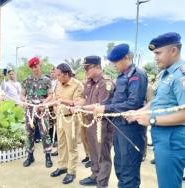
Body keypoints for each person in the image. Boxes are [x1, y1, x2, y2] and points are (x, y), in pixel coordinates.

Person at [127, 32, 185, 188]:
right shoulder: (163, 74)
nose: (155, 57)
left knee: (169, 184)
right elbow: (156, 101)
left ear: (173, 50)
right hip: (161, 136)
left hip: (172, 138)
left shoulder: (181, 75)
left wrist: (152, 119)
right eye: (154, 53)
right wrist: (140, 112)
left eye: (158, 53)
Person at [94, 43, 148, 188]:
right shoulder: (122, 76)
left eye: (116, 62)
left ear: (126, 58)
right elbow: (116, 99)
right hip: (119, 127)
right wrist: (101, 106)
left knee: (128, 170)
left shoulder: (137, 75)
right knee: (120, 166)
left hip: (131, 130)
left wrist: (105, 108)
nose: (113, 65)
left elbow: (133, 103)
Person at [74, 56, 115, 188]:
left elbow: (101, 105)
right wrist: (76, 104)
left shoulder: (106, 83)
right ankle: (94, 175)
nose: (85, 70)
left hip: (102, 124)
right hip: (90, 122)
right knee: (93, 151)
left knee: (103, 154)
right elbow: (85, 99)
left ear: (97, 66)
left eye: (88, 67)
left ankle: (102, 183)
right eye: (84, 67)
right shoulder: (88, 82)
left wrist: (82, 107)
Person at [50, 63, 83, 184]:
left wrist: (62, 101)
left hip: (71, 119)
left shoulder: (77, 85)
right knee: (61, 144)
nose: (57, 77)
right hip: (59, 118)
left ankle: (71, 172)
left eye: (59, 75)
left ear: (66, 74)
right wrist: (53, 105)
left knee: (72, 146)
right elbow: (55, 97)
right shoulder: (58, 83)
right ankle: (62, 166)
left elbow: (77, 102)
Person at [21, 57, 53, 168]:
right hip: (30, 111)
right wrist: (24, 101)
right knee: (29, 132)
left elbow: (50, 95)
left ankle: (48, 156)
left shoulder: (46, 80)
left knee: (45, 133)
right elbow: (22, 95)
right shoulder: (27, 80)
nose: (35, 69)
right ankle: (30, 156)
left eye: (36, 66)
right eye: (33, 67)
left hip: (42, 110)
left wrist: (43, 103)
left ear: (40, 65)